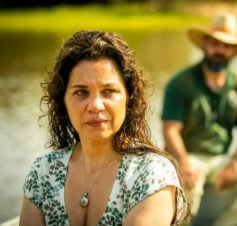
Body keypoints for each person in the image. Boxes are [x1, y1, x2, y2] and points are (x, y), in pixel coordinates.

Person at [19, 30, 188, 226]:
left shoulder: (150, 173)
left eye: (108, 92)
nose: (95, 105)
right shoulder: (43, 172)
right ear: (63, 101)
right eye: (81, 92)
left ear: (128, 98)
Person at [161, 13, 237, 226]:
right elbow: (170, 129)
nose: (220, 50)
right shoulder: (181, 82)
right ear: (205, 45)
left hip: (221, 158)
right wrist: (184, 163)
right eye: (215, 43)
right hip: (188, 155)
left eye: (227, 46)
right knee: (188, 191)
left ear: (234, 51)